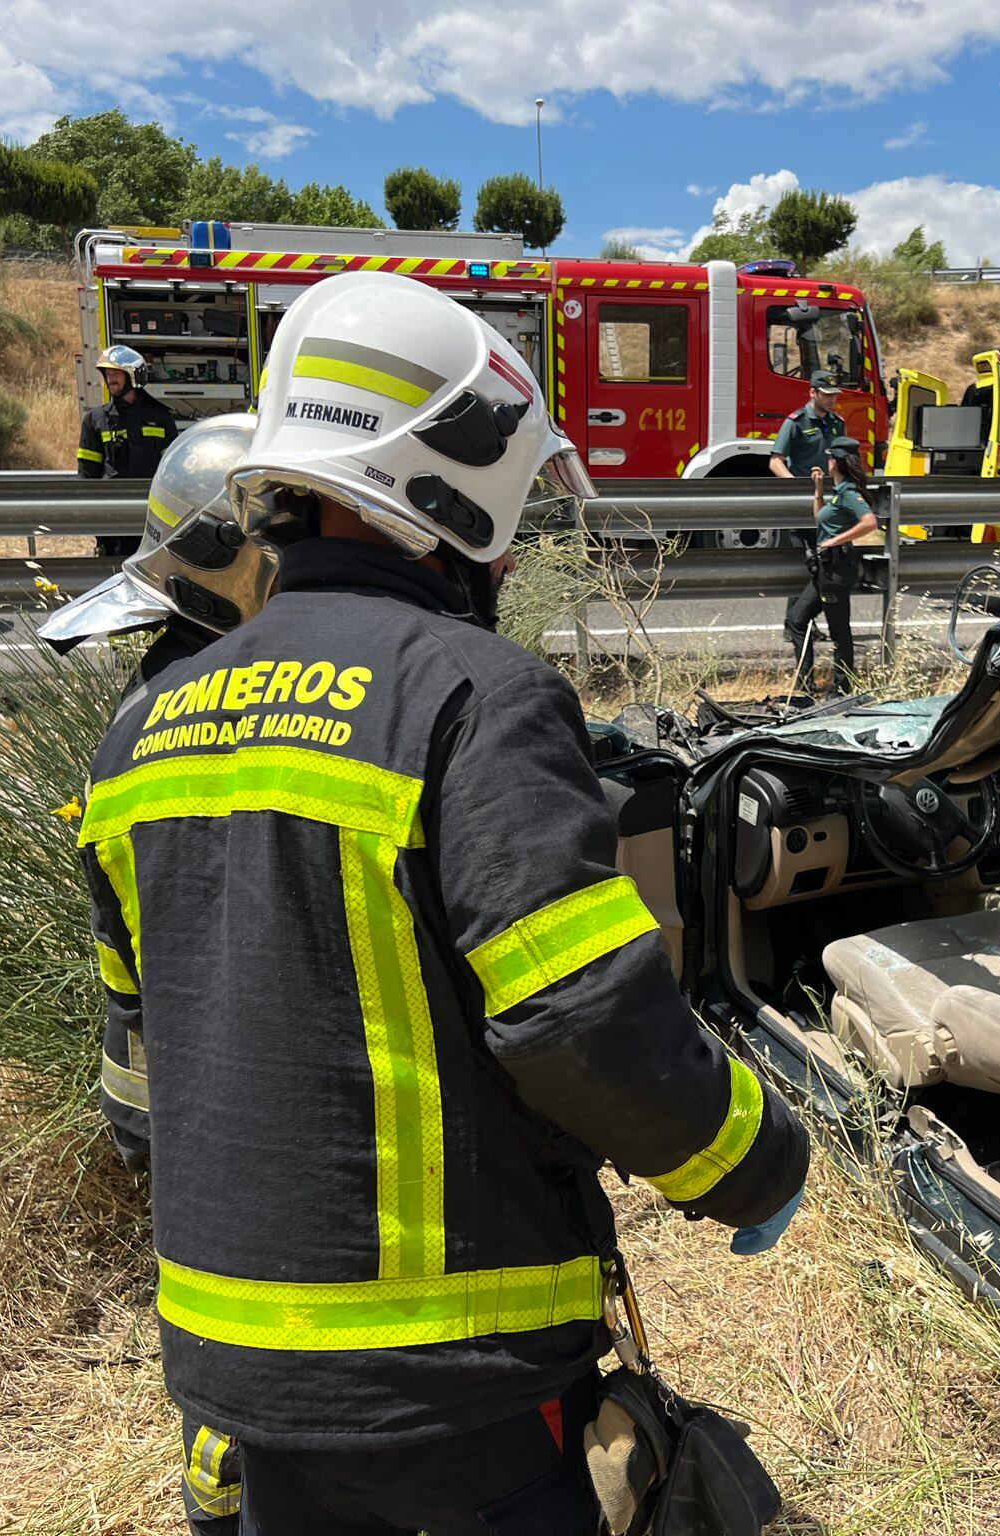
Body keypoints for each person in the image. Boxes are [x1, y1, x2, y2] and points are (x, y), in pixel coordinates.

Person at [76, 271, 809, 1536]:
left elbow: (137, 1075)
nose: (513, 542)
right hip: (450, 1387)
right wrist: (751, 1160)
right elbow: (575, 1014)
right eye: (511, 506)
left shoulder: (137, 734)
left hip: (227, 1379)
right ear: (445, 487)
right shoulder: (472, 692)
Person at [46, 413, 276, 1534]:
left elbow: (123, 983)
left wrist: (147, 1139)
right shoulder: (294, 705)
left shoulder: (133, 724)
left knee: (224, 1423)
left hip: (194, 1166)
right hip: (294, 1136)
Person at [785, 441, 880, 698]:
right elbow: (820, 520)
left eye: (829, 459)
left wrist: (835, 541)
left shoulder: (849, 492)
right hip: (825, 570)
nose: (827, 463)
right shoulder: (838, 491)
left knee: (839, 632)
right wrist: (818, 491)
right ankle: (805, 685)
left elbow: (870, 521)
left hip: (837, 569)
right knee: (797, 619)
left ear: (834, 463)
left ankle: (842, 690)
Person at [80, 345, 180, 557]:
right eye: (107, 374)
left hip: (154, 519)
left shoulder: (161, 418)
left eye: (116, 373)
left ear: (134, 376)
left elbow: (174, 474)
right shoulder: (95, 420)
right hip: (114, 521)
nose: (110, 379)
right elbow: (87, 476)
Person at [766, 369, 848, 496]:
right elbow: (776, 462)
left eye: (834, 395)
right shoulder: (796, 422)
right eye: (827, 395)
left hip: (832, 492)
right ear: (812, 393)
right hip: (805, 492)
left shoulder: (838, 423)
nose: (832, 400)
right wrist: (796, 486)